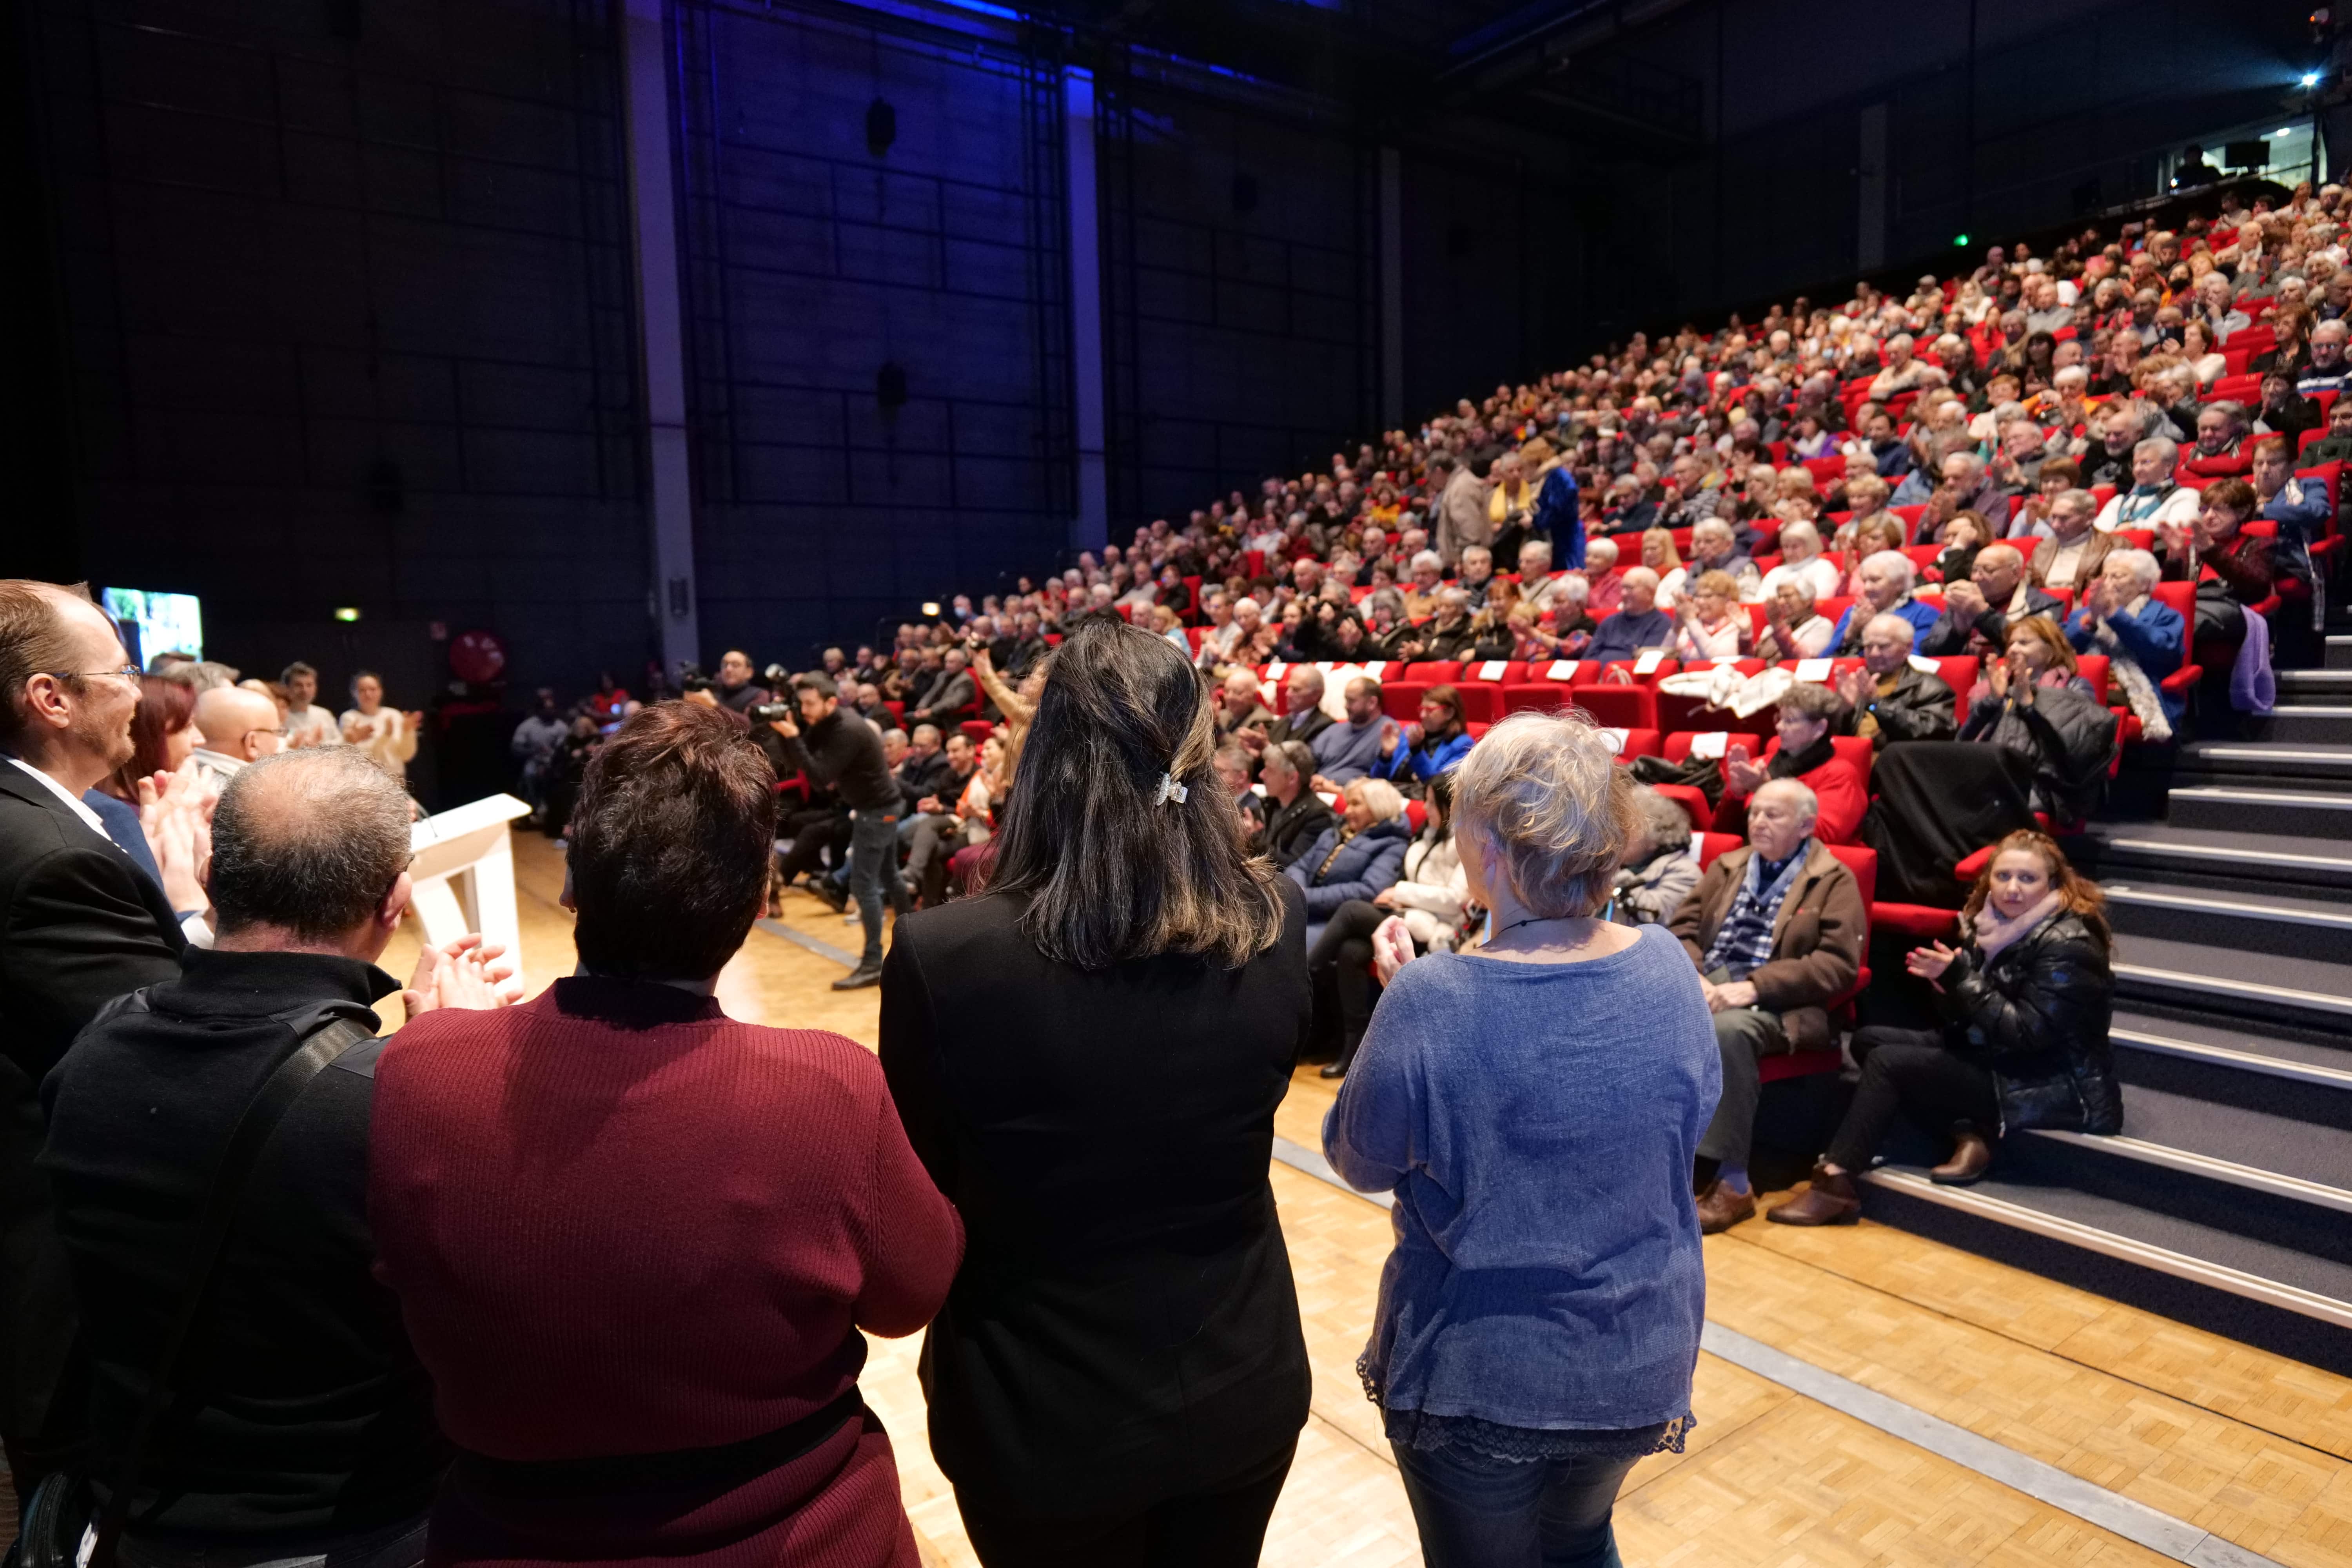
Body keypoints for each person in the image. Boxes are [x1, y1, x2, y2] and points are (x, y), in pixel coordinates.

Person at [370, 702, 961, 1568]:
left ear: (572, 883)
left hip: (511, 1534)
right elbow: (913, 1295)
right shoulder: (828, 1084)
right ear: (760, 899)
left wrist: (446, 1039)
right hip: (807, 1535)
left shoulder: (421, 1070)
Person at [877, 619, 1310, 1567]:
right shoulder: (1277, 921)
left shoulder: (947, 956)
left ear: (1047, 762)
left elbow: (921, 1193)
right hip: (1243, 1383)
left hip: (1041, 1413)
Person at [40, 749, 516, 1568]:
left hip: (137, 1519)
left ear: (211, 871)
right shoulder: (395, 1099)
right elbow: (499, 1313)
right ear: (396, 900)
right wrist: (454, 1060)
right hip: (355, 1529)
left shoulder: (94, 1048)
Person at [1323, 711, 1716, 1568]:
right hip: (1637, 1354)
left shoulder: (1432, 996)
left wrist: (1401, 1009)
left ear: (1490, 846)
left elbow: (1361, 1157)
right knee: (1577, 1543)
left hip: (1490, 1372)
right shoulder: (1667, 964)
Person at [0, 581, 200, 1507]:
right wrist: (195, 911)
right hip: (63, 1283)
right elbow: (162, 1059)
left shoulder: (51, 823)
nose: (136, 691)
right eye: (119, 672)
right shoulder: (46, 855)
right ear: (51, 699)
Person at [1769, 831, 2118, 1223]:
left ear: (2053, 884)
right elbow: (1966, 1017)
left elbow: (2028, 1034)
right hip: (1995, 1054)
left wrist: (1962, 980)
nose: (2013, 889)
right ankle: (1968, 1128)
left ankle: (1834, 1182)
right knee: (1869, 1040)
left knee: (1889, 1062)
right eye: (2004, 877)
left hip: (2050, 1079)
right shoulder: (1990, 923)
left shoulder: (2068, 942)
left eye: (2028, 878)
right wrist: (1948, 988)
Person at [1669, 777, 1865, 1232]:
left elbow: (1839, 965)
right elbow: (1681, 930)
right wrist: (1695, 977)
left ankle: (1734, 1183)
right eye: (1755, 812)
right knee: (1639, 1010)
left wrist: (1755, 987)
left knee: (1728, 1031)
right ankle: (1643, 1159)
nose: (1758, 821)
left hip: (1784, 1006)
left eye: (1772, 814)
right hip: (1711, 983)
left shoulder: (1834, 879)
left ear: (1805, 826)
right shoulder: (1728, 864)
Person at [1307, 771, 1470, 1080]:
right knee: (1352, 951)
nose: (1426, 808)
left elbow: (1457, 899)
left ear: (1449, 807)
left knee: (1353, 910)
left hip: (1435, 930)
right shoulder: (1427, 835)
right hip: (1407, 918)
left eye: (1432, 803)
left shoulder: (1461, 843)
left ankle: (1307, 972)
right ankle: (1352, 1047)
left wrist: (1403, 893)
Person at [766, 673, 902, 989]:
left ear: (830, 701)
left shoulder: (847, 729)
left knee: (863, 885)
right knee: (890, 877)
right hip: (877, 808)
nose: (805, 709)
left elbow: (818, 777)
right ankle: (919, 945)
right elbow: (797, 759)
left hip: (877, 811)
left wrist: (793, 735)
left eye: (810, 704)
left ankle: (873, 963)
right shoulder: (829, 723)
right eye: (802, 703)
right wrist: (787, 734)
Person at [1960, 619, 2119, 821]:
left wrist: (2029, 705)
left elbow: (2075, 750)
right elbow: (1964, 739)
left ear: (2051, 651)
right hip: (1994, 771)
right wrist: (1992, 701)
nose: (2013, 649)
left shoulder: (2076, 687)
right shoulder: (1995, 686)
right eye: (2011, 644)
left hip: (2048, 783)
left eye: (2024, 643)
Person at [1718, 684, 1869, 845]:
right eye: (1779, 718)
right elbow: (1724, 835)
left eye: (1789, 720)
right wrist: (1736, 795)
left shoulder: (1840, 775)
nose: (1779, 727)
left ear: (1819, 728)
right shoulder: (1759, 766)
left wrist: (1768, 792)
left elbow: (1823, 838)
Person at [2068, 548, 2186, 742]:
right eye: (2104, 576)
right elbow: (2056, 648)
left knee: (2074, 703)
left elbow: (2163, 650)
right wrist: (2092, 619)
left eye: (2118, 577)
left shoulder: (2164, 616)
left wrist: (2115, 616)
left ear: (2145, 584)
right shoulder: (2085, 615)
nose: (2108, 583)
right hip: (2083, 682)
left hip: (2134, 690)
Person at [1285, 776, 1412, 948]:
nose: (1347, 811)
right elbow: (1299, 866)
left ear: (1378, 806)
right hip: (1301, 910)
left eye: (1356, 804)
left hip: (1333, 922)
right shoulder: (1333, 833)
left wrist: (1306, 896)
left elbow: (1368, 890)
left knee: (1287, 950)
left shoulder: (1392, 843)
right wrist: (1297, 891)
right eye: (1348, 804)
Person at [1835, 613, 1958, 748]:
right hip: (1853, 758)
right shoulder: (1855, 682)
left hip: (1895, 762)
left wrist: (1876, 704)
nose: (1874, 653)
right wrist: (1844, 710)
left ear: (1907, 649)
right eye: (1869, 647)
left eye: (1884, 646)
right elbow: (1831, 737)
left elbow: (1932, 732)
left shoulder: (1930, 687)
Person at [1610, 784, 1699, 926]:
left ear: (1655, 837)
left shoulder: (1684, 872)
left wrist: (1616, 879)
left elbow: (1655, 919)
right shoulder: (1617, 865)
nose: (1617, 837)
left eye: (1627, 830)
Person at [191, 682, 285, 791]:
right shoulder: (247, 798)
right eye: (277, 732)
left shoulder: (175, 777)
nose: (279, 743)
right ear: (252, 744)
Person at [1258, 739, 1336, 865]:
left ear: (1292, 778)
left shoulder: (1319, 816)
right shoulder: (1268, 804)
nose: (1262, 775)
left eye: (1270, 770)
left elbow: (1293, 866)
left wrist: (1254, 840)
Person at [1378, 685, 1475, 784]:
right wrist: (1387, 756)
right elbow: (1378, 778)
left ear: (1450, 713)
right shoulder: (1412, 733)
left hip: (1421, 798)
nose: (1422, 715)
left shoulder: (1462, 744)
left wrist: (1416, 750)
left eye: (1429, 710)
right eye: (1421, 709)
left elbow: (1436, 787)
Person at [340, 672, 421, 784]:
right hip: (365, 781)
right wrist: (385, 736)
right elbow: (360, 757)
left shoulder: (393, 715)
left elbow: (405, 755)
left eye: (373, 689)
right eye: (362, 690)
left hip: (396, 780)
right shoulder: (350, 718)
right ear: (354, 693)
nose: (368, 694)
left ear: (381, 691)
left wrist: (407, 733)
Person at [1586, 566, 1673, 661]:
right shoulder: (1609, 622)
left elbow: (1644, 662)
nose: (1623, 593)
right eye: (1623, 588)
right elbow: (1588, 660)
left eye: (1630, 588)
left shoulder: (1661, 624)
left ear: (1650, 593)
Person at [279, 661, 340, 748]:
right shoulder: (280, 717)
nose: (305, 690)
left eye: (309, 685)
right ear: (286, 688)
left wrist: (318, 746)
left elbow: (340, 742)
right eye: (299, 685)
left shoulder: (325, 714)